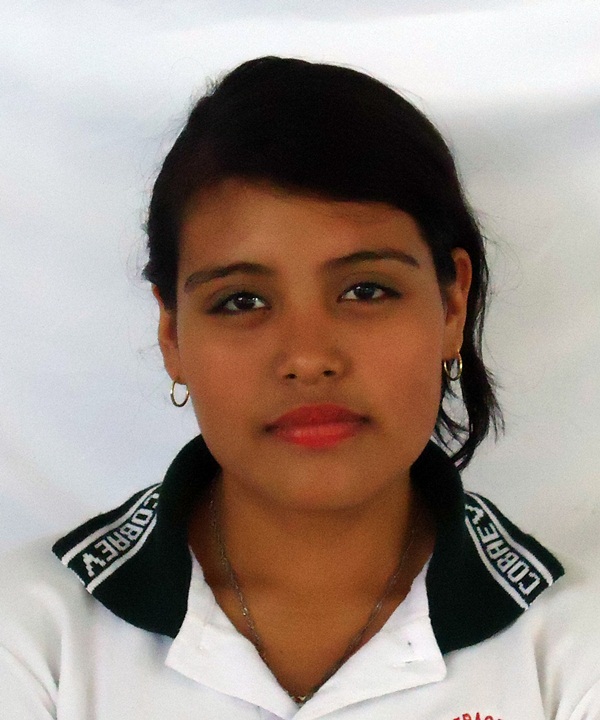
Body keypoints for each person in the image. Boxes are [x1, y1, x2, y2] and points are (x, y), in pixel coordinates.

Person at [0, 56, 598, 719]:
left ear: (452, 306)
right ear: (172, 333)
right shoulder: (31, 634)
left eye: (365, 290)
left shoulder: (574, 645)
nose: (309, 359)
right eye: (242, 301)